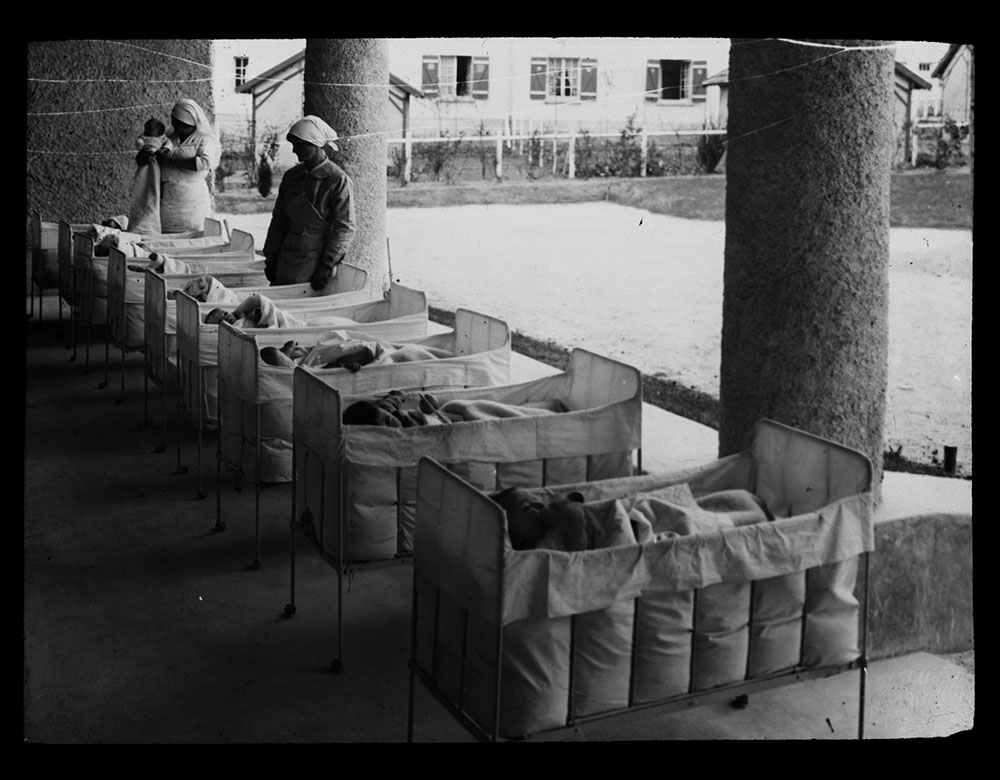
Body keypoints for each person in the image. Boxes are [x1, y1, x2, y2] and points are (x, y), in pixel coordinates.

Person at [263, 115, 356, 292]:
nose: (295, 151)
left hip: (315, 262)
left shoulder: (337, 180)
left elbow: (345, 227)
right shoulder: (291, 177)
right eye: (294, 145)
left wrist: (327, 265)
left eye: (300, 145)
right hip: (286, 259)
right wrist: (271, 258)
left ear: (315, 144)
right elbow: (278, 221)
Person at [137, 99, 221, 234]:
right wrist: (144, 155)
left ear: (191, 123)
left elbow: (204, 163)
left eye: (181, 125)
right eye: (174, 122)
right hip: (167, 199)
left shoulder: (204, 139)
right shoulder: (170, 137)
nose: (175, 127)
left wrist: (171, 160)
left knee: (190, 237)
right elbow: (146, 155)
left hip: (192, 200)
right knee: (167, 237)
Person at [128, 117, 173, 234]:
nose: (149, 131)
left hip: (163, 173)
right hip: (149, 165)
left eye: (152, 129)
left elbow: (168, 145)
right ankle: (143, 228)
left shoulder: (164, 138)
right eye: (148, 129)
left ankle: (151, 228)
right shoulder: (144, 137)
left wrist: (164, 151)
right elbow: (139, 146)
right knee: (146, 193)